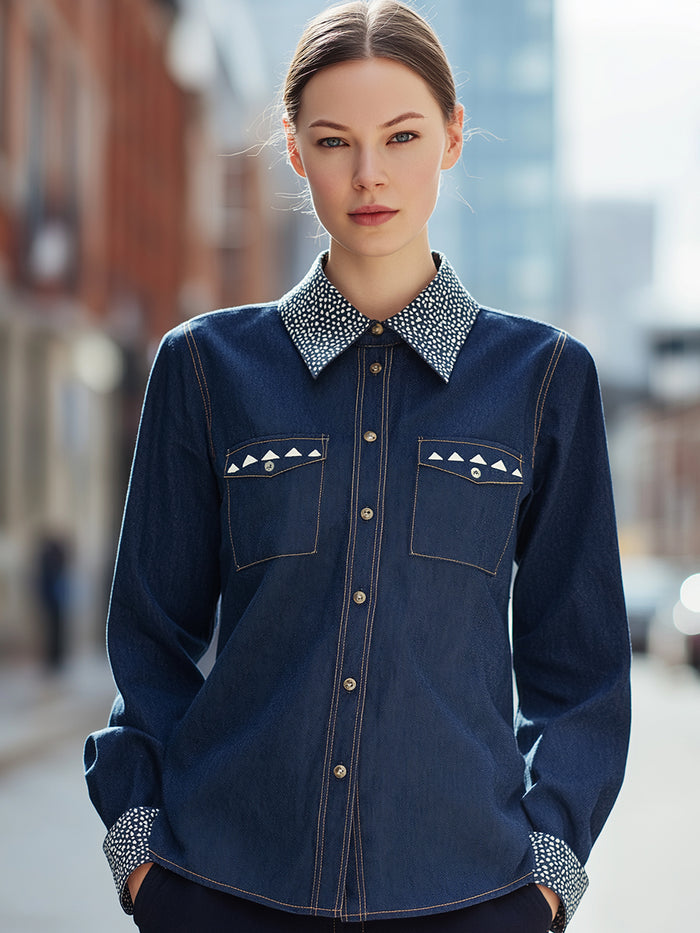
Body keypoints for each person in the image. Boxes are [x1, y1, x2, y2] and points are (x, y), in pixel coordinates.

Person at [84, 2, 631, 931]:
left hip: (470, 897)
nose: (369, 174)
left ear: (452, 137)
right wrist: (143, 857)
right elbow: (149, 638)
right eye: (334, 140)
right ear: (294, 149)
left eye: (402, 135)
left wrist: (548, 876)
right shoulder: (207, 369)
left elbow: (579, 673)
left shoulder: (543, 381)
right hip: (223, 889)